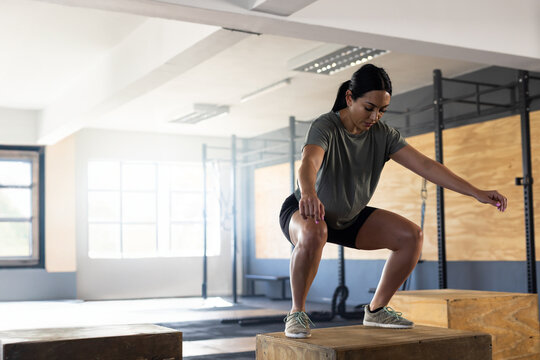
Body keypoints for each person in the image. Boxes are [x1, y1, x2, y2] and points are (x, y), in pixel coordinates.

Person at [278, 64, 507, 338]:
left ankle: (376, 311)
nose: (375, 116)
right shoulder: (326, 125)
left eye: (382, 110)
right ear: (350, 98)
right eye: (369, 107)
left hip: (349, 216)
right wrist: (308, 193)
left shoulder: (383, 135)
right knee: (316, 229)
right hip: (305, 210)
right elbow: (309, 162)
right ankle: (297, 313)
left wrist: (476, 192)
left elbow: (427, 166)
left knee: (411, 236)